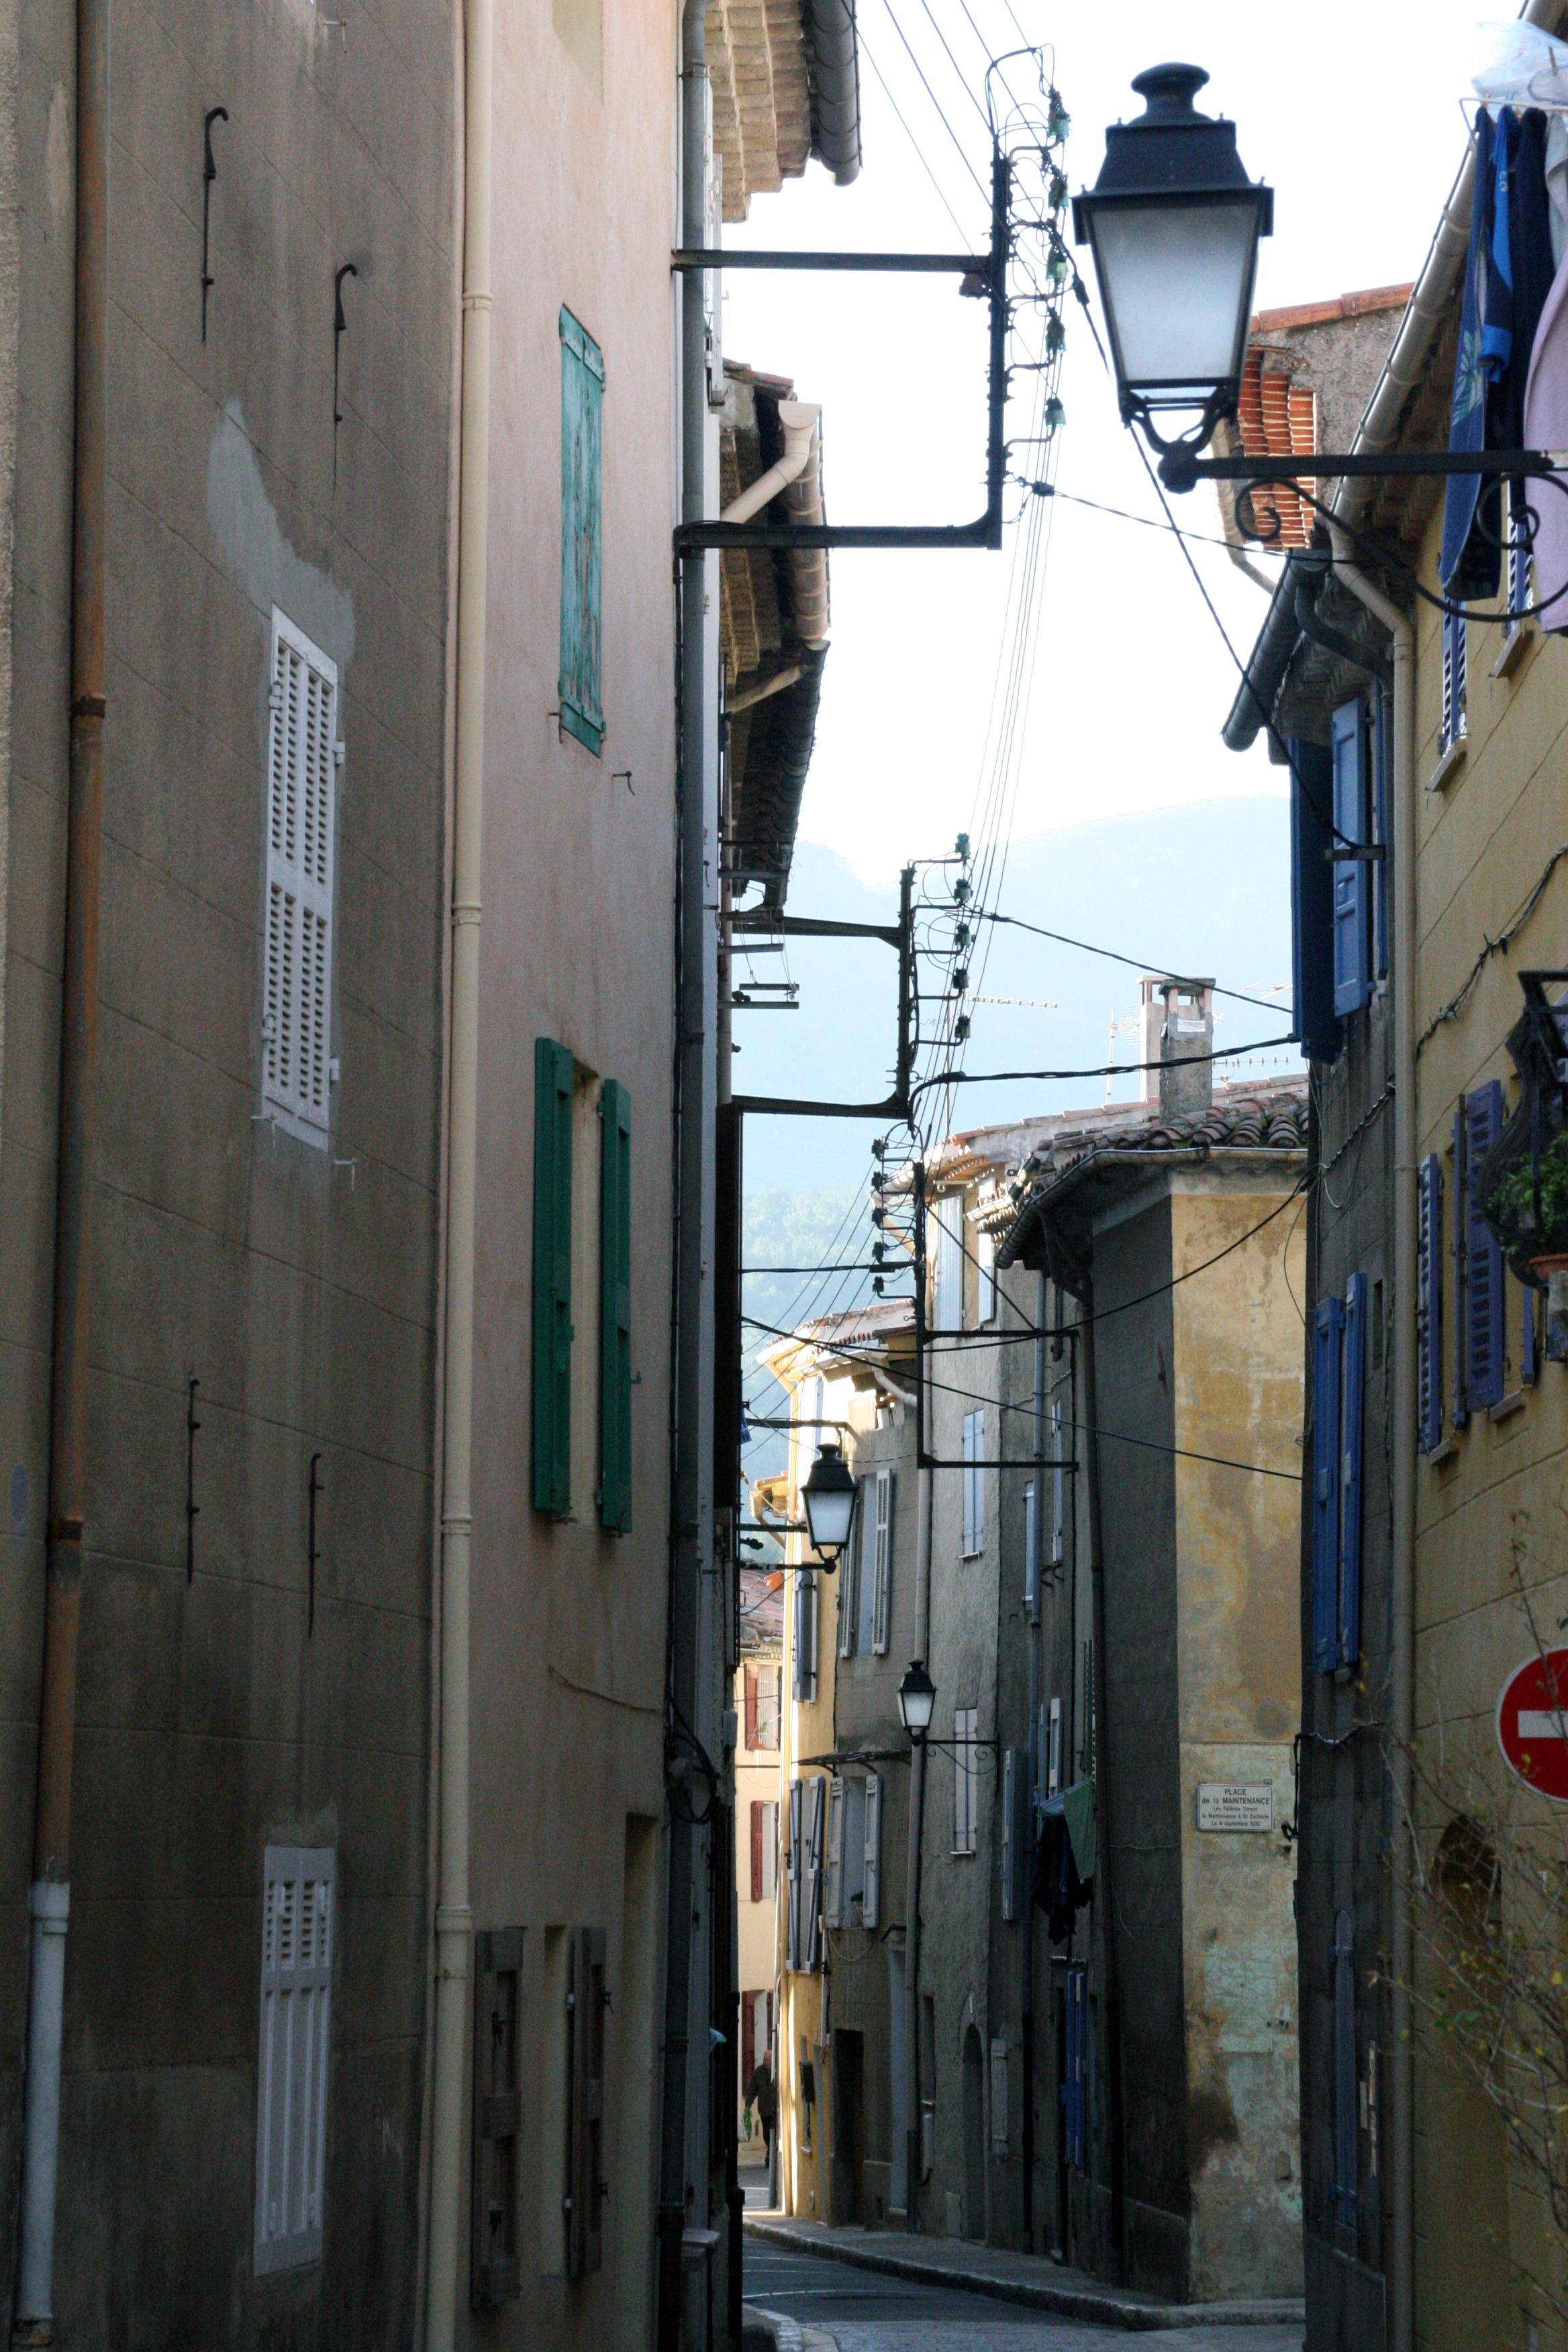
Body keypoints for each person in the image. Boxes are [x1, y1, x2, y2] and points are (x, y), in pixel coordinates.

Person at [746, 2053, 777, 2160]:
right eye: (765, 2060)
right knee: (766, 2134)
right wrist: (747, 2106)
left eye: (769, 2060)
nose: (767, 2062)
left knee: (774, 2131)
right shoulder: (758, 2072)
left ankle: (770, 2155)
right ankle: (770, 2151)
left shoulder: (777, 2071)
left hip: (775, 2109)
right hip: (764, 2110)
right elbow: (752, 2090)